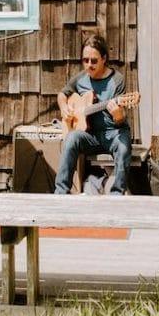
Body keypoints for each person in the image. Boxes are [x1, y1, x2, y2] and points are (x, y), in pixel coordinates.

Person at [54, 33, 132, 195]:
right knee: (71, 138)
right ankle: (61, 192)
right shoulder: (81, 79)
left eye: (94, 61)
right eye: (85, 60)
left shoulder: (117, 80)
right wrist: (63, 107)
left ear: (104, 58)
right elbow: (62, 94)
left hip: (113, 133)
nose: (89, 65)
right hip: (90, 135)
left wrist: (117, 113)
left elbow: (120, 120)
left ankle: (117, 194)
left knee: (123, 147)